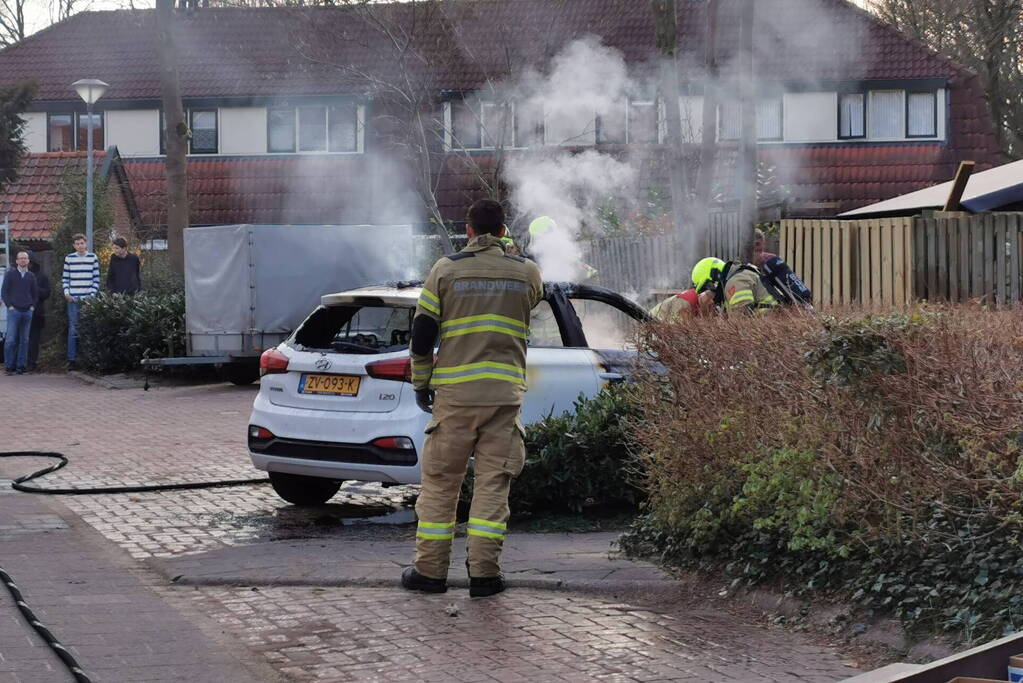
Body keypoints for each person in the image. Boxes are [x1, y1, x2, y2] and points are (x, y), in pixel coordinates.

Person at [403, 199, 543, 598]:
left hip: (456, 399)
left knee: (441, 484)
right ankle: (484, 575)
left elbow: (422, 335)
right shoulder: (527, 272)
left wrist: (421, 384)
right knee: (493, 486)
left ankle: (430, 573)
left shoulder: (445, 270)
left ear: (467, 230)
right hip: (503, 399)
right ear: (502, 231)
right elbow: (535, 298)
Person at [62, 233, 100, 371]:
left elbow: (96, 279)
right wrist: (67, 293)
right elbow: (65, 279)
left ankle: (88, 360)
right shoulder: (69, 258)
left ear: (86, 243)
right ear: (74, 245)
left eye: (82, 243)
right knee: (73, 329)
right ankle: (72, 360)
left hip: (88, 300)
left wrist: (92, 295)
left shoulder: (93, 258)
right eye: (77, 244)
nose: (80, 246)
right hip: (73, 299)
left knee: (88, 328)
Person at [691, 256, 778, 313]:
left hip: (770, 324)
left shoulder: (735, 283)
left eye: (704, 289)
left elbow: (741, 320)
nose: (705, 294)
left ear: (712, 283)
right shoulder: (735, 279)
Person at [1, 251, 38, 375]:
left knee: (24, 340)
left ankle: (20, 366)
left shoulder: (31, 276)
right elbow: (4, 292)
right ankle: (9, 366)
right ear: (16, 261)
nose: (23, 260)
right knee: (10, 340)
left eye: (25, 258)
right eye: (21, 258)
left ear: (28, 261)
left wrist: (32, 307)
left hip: (27, 312)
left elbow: (35, 294)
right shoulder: (10, 274)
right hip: (14, 311)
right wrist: (10, 306)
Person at [27, 253, 51, 372]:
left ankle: (32, 363)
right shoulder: (18, 275)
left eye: (29, 261)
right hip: (20, 311)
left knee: (34, 339)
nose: (27, 263)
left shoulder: (42, 277)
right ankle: (20, 363)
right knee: (21, 338)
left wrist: (35, 289)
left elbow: (47, 293)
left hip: (37, 313)